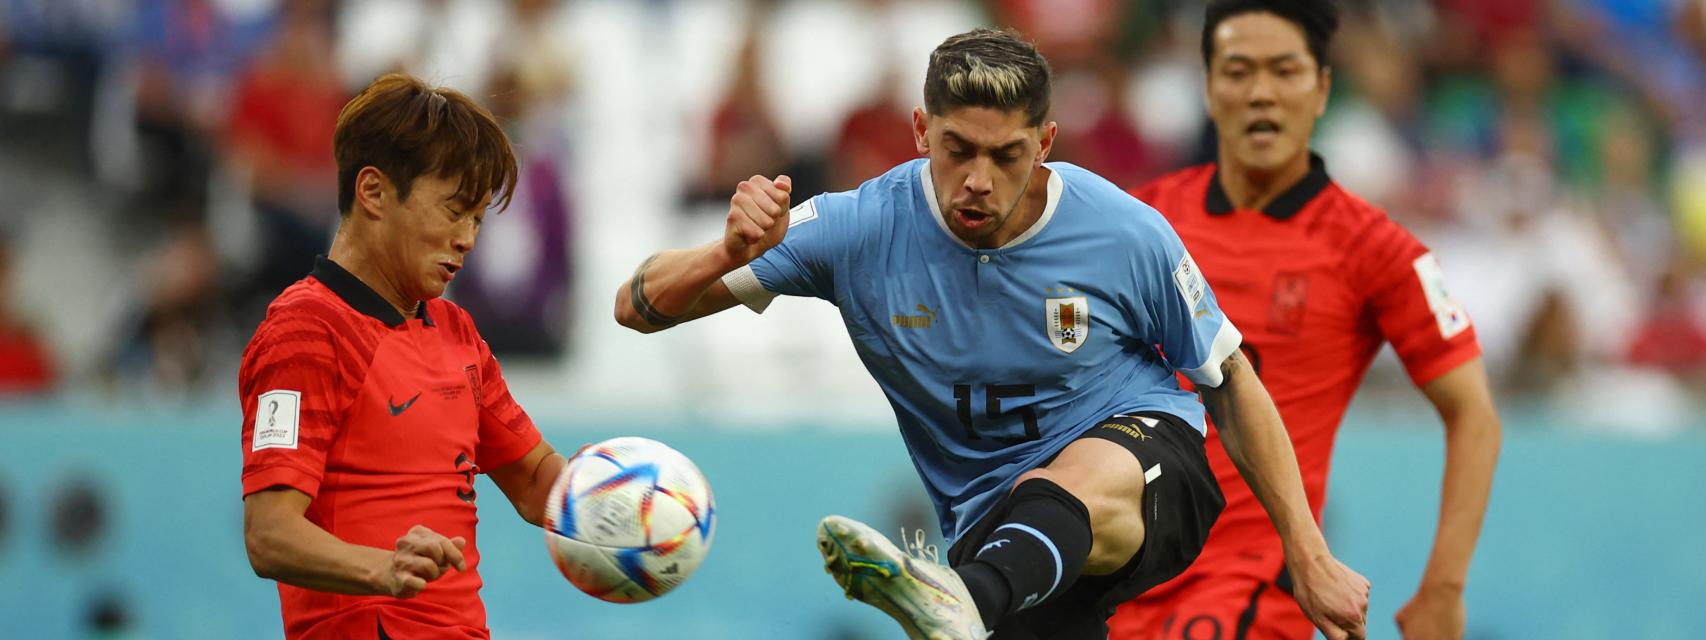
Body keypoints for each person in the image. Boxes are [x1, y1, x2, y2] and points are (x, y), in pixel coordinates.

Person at [616, 27, 1369, 640]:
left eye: (1006, 155)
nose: (979, 179)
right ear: (920, 132)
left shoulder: (1123, 233)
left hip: (1146, 471)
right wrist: (729, 253)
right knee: (1022, 537)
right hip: (1001, 538)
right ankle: (970, 599)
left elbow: (1231, 381)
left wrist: (1306, 553)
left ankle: (960, 598)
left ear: (1044, 142)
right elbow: (636, 306)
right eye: (958, 150)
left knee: (1069, 482)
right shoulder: (857, 229)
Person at [1106, 2, 1503, 639]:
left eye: (1284, 71)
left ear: (1321, 89)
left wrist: (1444, 587)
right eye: (1238, 71)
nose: (1261, 93)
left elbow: (1475, 413)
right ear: (1208, 87)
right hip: (1114, 575)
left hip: (1249, 588)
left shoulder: (1374, 249)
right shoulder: (1139, 220)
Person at [238, 73, 572, 639]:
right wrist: (381, 569)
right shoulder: (305, 331)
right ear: (372, 192)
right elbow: (269, 534)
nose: (468, 238)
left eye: (476, 219)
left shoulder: (456, 331)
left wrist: (628, 497)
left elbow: (537, 480)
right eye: (453, 211)